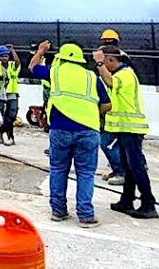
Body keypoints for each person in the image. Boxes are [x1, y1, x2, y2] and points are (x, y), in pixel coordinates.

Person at [28, 40, 111, 227]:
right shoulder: (92, 77)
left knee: (58, 169)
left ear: (61, 59)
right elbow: (107, 104)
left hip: (60, 129)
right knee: (86, 173)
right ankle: (86, 215)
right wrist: (90, 113)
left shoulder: (55, 72)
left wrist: (41, 51)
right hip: (88, 130)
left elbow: (32, 67)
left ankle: (58, 211)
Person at [95, 45, 158, 219]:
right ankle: (127, 199)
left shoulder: (126, 74)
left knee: (136, 167)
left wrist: (99, 63)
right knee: (128, 167)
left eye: (104, 62)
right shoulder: (120, 74)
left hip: (131, 128)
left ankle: (148, 204)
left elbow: (109, 82)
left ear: (110, 60)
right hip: (123, 128)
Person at [96, 28, 126, 185]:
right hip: (114, 111)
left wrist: (100, 63)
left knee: (107, 142)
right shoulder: (119, 58)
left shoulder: (120, 64)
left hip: (120, 112)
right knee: (119, 144)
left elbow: (110, 82)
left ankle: (121, 172)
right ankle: (119, 169)